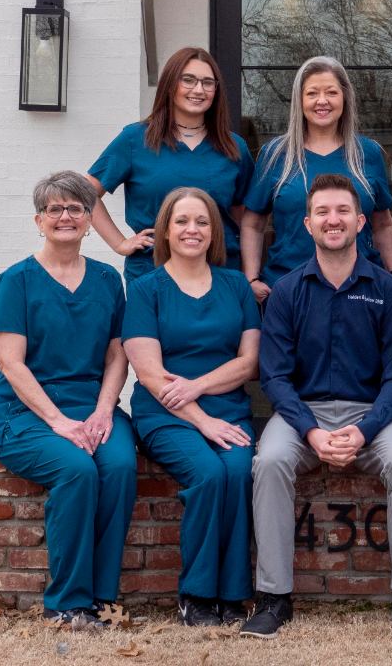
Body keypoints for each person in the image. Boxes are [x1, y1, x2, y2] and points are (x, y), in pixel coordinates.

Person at [241, 173, 392, 640]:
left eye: (343, 211)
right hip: (302, 415)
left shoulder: (386, 290)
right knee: (268, 462)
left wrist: (365, 430)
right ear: (306, 223)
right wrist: (311, 431)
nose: (333, 219)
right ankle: (273, 598)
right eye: (323, 212)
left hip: (371, 415)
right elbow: (275, 377)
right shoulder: (286, 291)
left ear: (361, 221)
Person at [0, 171, 137, 626]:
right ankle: (67, 604)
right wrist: (59, 423)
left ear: (90, 220)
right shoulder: (16, 281)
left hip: (92, 405)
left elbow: (116, 352)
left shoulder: (108, 279)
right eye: (55, 209)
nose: (65, 216)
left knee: (122, 466)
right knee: (76, 469)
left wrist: (105, 410)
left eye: (76, 209)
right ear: (39, 220)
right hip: (22, 412)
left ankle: (102, 595)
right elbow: (11, 363)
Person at [121, 188, 261, 627]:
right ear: (165, 229)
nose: (191, 230)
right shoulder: (146, 289)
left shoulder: (236, 285)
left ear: (214, 231)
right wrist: (202, 419)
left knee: (238, 472)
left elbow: (249, 361)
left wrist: (199, 387)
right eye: (181, 221)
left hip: (229, 409)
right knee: (208, 473)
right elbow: (148, 372)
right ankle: (197, 594)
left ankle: (232, 593)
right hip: (166, 414)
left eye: (201, 222)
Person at [241, 56, 392, 304]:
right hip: (290, 291)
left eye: (331, 92)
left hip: (362, 292)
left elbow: (383, 224)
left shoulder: (367, 153)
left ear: (344, 98)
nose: (322, 101)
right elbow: (253, 224)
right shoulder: (275, 155)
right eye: (312, 93)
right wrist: (251, 280)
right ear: (300, 100)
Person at [87, 47, 254, 283]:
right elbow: (85, 193)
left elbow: (242, 217)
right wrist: (120, 243)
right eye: (188, 80)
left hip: (220, 273)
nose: (199, 89)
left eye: (208, 82)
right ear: (170, 84)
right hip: (152, 273)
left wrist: (250, 276)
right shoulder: (136, 139)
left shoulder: (234, 147)